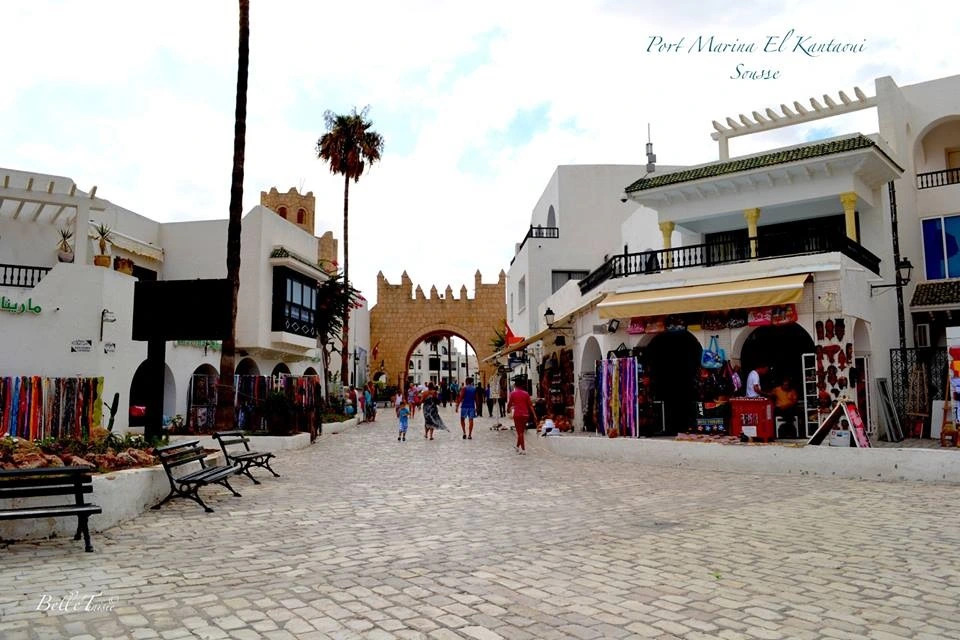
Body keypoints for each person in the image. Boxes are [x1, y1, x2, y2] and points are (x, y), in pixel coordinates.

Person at [507, 380, 536, 455]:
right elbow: (530, 405)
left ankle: (523, 449)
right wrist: (534, 415)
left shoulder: (513, 393)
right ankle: (517, 447)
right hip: (525, 414)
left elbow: (509, 404)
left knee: (519, 432)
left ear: (515, 386)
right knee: (521, 432)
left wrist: (508, 409)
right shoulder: (526, 394)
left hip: (517, 414)